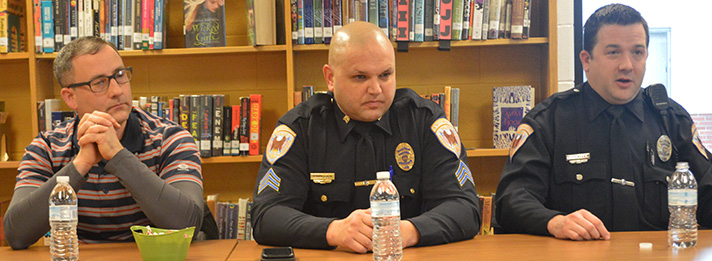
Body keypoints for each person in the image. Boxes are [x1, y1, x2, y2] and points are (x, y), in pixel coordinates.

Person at [250, 21, 480, 252]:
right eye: (360, 77)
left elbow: (466, 208)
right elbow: (266, 216)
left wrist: (408, 231)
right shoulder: (301, 128)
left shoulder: (424, 121)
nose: (376, 89)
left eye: (385, 75)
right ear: (330, 78)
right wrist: (333, 231)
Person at [495, 3, 712, 241]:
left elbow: (707, 192)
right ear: (586, 61)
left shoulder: (670, 119)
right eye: (613, 52)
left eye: (637, 52)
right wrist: (554, 222)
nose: (627, 65)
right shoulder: (549, 121)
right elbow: (512, 200)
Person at [3, 36, 204, 249]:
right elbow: (16, 234)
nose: (117, 90)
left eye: (120, 75)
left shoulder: (170, 138)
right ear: (70, 98)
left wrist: (117, 156)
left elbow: (187, 226)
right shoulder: (47, 148)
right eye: (99, 82)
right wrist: (80, 165)